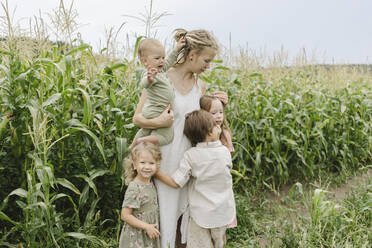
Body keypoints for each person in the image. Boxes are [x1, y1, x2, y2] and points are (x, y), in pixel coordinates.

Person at [133, 28, 228, 248]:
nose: (208, 66)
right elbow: (137, 118)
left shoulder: (200, 86)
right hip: (163, 158)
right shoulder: (160, 77)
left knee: (186, 220)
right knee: (163, 216)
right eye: (206, 60)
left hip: (189, 160)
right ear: (192, 55)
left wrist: (222, 105)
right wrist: (160, 123)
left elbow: (207, 123)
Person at [155, 109, 236, 248]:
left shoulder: (191, 156)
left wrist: (156, 173)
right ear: (210, 132)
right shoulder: (224, 152)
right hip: (223, 211)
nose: (219, 127)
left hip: (201, 215)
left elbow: (176, 182)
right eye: (215, 126)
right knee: (219, 243)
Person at [129, 37, 186, 150]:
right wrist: (150, 79)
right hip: (157, 110)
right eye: (157, 58)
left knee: (145, 130)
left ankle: (135, 144)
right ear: (145, 61)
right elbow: (144, 84)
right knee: (167, 137)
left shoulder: (160, 71)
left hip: (153, 110)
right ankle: (141, 141)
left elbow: (169, 61)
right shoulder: (149, 73)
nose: (162, 61)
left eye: (163, 57)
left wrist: (177, 48)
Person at [118, 142, 162, 248]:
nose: (147, 167)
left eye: (151, 163)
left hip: (148, 235)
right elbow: (125, 215)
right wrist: (146, 227)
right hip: (136, 238)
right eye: (142, 162)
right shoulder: (135, 188)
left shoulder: (151, 183)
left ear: (157, 165)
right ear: (134, 165)